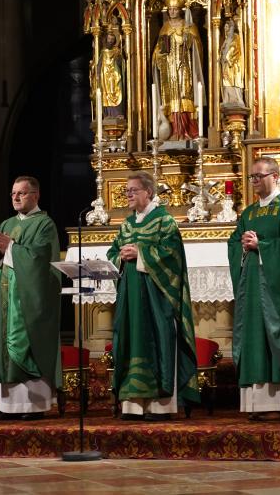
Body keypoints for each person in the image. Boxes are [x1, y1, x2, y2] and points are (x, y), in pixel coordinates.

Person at [227, 157, 280, 420]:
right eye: (251, 177)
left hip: (278, 290)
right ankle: (259, 404)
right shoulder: (250, 212)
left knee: (278, 336)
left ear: (275, 176)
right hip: (254, 287)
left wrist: (261, 246)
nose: (254, 181)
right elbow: (235, 241)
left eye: (259, 176)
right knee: (255, 337)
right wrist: (242, 243)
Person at [107, 171, 199, 420]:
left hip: (157, 296)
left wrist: (142, 253)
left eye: (133, 190)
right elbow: (113, 253)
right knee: (130, 339)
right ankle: (133, 404)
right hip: (131, 294)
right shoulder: (126, 224)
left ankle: (160, 405)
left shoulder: (164, 221)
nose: (128, 194)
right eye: (126, 191)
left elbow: (173, 254)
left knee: (157, 339)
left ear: (148, 192)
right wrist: (120, 256)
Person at [0, 176, 62, 421]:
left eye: (22, 193)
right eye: (13, 193)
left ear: (35, 195)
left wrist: (12, 248)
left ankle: (33, 406)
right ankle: (8, 406)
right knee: (3, 343)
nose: (16, 198)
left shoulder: (45, 224)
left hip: (27, 301)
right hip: (6, 296)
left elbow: (40, 258)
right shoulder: (7, 223)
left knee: (25, 344)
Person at [153, 0, 204, 140]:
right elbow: (158, 49)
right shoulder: (165, 27)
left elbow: (198, 48)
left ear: (180, 9)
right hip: (169, 69)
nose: (172, 11)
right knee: (172, 97)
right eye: (170, 9)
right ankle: (174, 131)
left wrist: (189, 39)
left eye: (175, 9)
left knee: (185, 94)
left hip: (184, 66)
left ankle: (188, 130)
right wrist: (159, 54)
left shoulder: (189, 26)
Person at [100, 29, 126, 118]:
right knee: (106, 94)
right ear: (106, 39)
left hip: (115, 76)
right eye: (109, 39)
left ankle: (118, 113)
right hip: (106, 77)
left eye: (112, 39)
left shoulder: (117, 51)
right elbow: (99, 65)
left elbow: (121, 63)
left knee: (116, 92)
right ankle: (108, 114)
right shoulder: (103, 52)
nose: (110, 41)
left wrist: (118, 58)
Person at [220, 19, 245, 107]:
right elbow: (222, 50)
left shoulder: (236, 36)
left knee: (232, 81)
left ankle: (235, 99)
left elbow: (236, 48)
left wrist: (228, 57)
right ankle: (227, 99)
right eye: (225, 27)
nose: (226, 29)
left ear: (231, 28)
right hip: (226, 65)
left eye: (227, 27)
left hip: (233, 65)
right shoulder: (226, 39)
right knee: (226, 81)